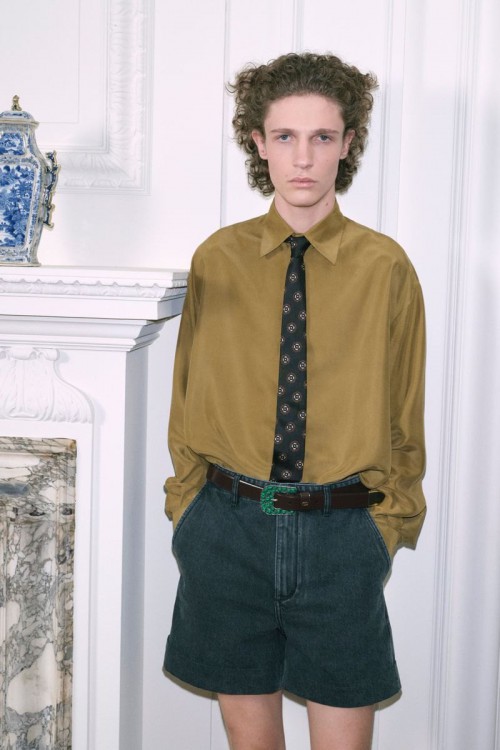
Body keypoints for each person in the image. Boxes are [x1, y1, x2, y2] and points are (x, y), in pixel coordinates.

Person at [163, 52, 426, 750]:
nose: (303, 157)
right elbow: (186, 395)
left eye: (321, 137)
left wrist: (385, 527)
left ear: (347, 143)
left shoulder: (385, 267)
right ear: (259, 143)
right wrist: (189, 509)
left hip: (342, 538)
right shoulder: (217, 259)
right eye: (285, 136)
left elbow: (405, 414)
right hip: (227, 531)